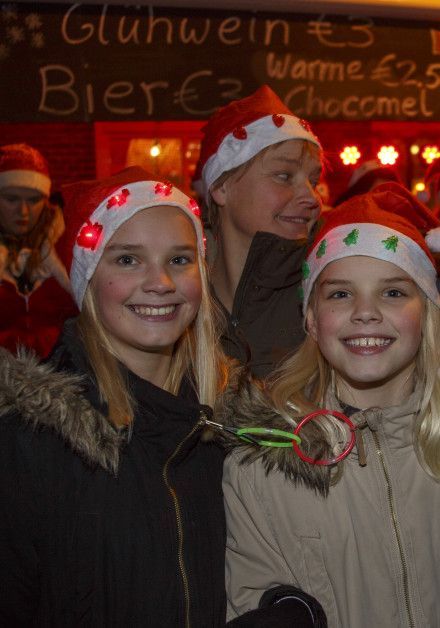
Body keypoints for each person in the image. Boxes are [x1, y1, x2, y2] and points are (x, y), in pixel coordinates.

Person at [0, 167, 231, 626]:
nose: (160, 282)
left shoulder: (230, 423)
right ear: (87, 279)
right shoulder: (30, 440)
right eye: (127, 260)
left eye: (180, 260)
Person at [218, 182, 440, 627]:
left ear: (428, 310)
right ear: (311, 319)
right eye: (340, 293)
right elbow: (251, 595)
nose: (365, 312)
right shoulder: (262, 468)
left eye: (394, 292)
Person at [194, 85, 323, 378]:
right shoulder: (178, 295)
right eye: (284, 176)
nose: (311, 197)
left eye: (313, 181)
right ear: (221, 187)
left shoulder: (326, 288)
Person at [0, 143, 77, 356]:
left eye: (34, 200)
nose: (23, 211)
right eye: (11, 199)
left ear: (46, 200)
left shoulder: (68, 246)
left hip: (64, 376)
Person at [334, 158, 401, 206]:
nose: (385, 197)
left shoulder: (404, 218)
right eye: (377, 192)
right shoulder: (341, 218)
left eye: (390, 193)